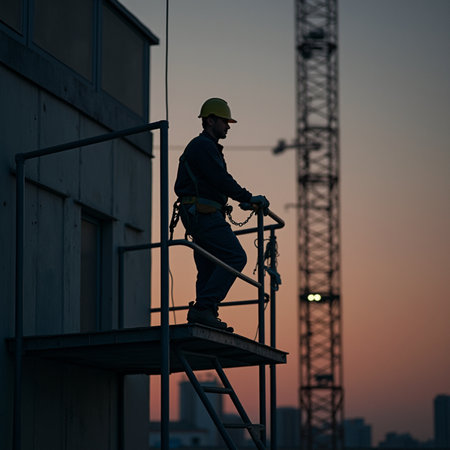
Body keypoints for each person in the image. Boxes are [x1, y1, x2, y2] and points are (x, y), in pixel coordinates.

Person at [174, 97, 269, 332]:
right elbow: (220, 178)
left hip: (200, 212)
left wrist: (241, 201)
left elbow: (215, 182)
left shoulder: (205, 148)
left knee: (208, 265)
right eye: (224, 121)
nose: (228, 126)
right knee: (235, 256)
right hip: (203, 213)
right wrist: (248, 198)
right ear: (210, 120)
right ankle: (204, 308)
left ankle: (204, 315)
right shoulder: (203, 146)